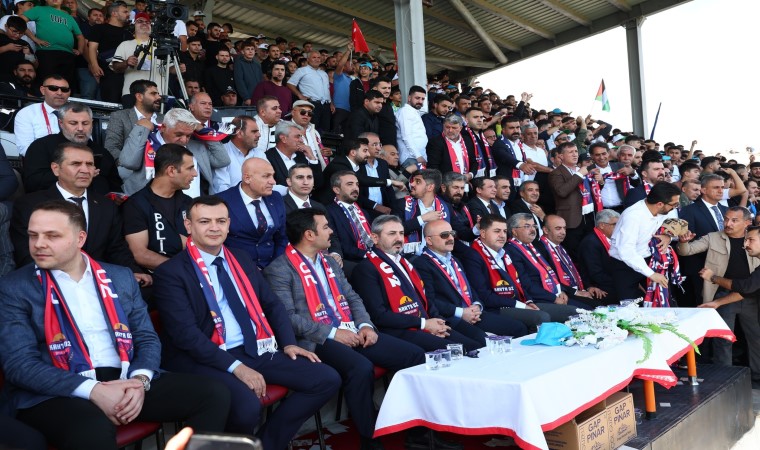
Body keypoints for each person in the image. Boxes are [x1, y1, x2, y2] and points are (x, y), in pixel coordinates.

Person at [0, 200, 231, 449]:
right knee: (92, 429)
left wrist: (140, 381)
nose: (38, 244)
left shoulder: (119, 277)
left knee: (214, 394)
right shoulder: (15, 287)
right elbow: (20, 365)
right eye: (33, 235)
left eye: (52, 236)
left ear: (80, 239)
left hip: (125, 376)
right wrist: (93, 390)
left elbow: (146, 338)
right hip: (59, 389)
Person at [152, 196, 339, 449]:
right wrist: (236, 367)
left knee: (326, 378)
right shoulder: (171, 273)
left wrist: (288, 343)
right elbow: (186, 335)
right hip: (207, 356)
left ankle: (265, 444)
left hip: (256, 347)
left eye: (221, 221)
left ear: (229, 224)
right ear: (188, 225)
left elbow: (272, 304)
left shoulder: (240, 258)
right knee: (247, 406)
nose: (214, 228)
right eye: (204, 222)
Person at [264, 208, 427, 450]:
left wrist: (365, 325)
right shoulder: (279, 269)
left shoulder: (329, 261)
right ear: (309, 234)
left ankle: (416, 431)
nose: (331, 231)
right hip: (316, 338)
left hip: (352, 329)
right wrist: (333, 333)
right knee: (360, 368)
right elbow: (288, 319)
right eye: (326, 227)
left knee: (414, 355)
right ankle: (370, 440)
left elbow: (352, 298)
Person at [12, 141, 145, 278]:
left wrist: (133, 271)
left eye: (90, 164)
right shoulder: (29, 205)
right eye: (76, 164)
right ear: (56, 169)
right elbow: (27, 256)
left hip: (101, 280)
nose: (85, 170)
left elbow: (116, 249)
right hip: (48, 282)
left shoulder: (107, 206)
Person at [351, 214, 483, 351]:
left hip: (424, 321)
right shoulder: (365, 269)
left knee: (476, 345)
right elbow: (379, 316)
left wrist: (437, 322)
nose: (398, 238)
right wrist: (424, 324)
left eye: (401, 233)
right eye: (392, 234)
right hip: (399, 330)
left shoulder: (406, 263)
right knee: (462, 350)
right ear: (375, 238)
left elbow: (425, 299)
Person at [677, 207, 760, 387]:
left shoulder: (754, 239)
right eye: (726, 219)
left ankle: (757, 378)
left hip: (751, 295)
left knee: (756, 337)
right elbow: (686, 251)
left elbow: (746, 287)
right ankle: (725, 380)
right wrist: (683, 242)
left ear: (747, 223)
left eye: (734, 220)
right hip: (724, 295)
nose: (728, 224)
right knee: (723, 340)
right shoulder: (713, 237)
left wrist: (712, 276)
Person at [415, 219, 528, 344]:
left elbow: (469, 288)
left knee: (518, 328)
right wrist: (461, 312)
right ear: (429, 240)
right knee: (481, 342)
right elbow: (429, 300)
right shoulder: (421, 264)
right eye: (444, 235)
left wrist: (477, 305)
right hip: (450, 317)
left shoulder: (455, 260)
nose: (451, 238)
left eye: (452, 233)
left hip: (473, 312)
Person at [458, 214, 550, 330]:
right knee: (541, 317)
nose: (502, 235)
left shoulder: (505, 253)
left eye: (505, 231)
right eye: (497, 231)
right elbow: (484, 296)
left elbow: (519, 284)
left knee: (564, 312)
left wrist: (528, 301)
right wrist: (521, 305)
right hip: (495, 308)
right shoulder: (473, 256)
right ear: (483, 233)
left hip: (516, 302)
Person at [118, 107, 230, 196]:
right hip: (148, 206)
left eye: (188, 135)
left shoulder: (196, 147)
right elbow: (127, 162)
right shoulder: (147, 142)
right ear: (163, 127)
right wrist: (141, 128)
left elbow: (222, 160)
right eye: (179, 134)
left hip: (191, 208)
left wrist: (203, 130)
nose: (184, 140)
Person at [122, 144, 195, 272]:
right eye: (190, 168)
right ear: (171, 171)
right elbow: (140, 254)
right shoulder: (135, 205)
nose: (195, 174)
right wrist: (181, 269)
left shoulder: (189, 203)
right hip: (158, 278)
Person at [22, 102, 121, 195]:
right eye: (73, 123)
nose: (80, 128)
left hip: (99, 205)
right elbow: (32, 183)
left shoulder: (103, 152)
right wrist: (72, 175)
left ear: (92, 123)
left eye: (85, 123)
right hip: (54, 204)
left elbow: (116, 188)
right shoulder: (41, 146)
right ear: (61, 124)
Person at [505, 213, 591, 318]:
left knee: (590, 307)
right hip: (537, 299)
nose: (532, 230)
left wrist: (560, 291)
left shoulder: (531, 247)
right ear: (514, 231)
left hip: (552, 294)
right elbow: (526, 284)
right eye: (527, 226)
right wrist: (553, 298)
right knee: (583, 311)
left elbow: (549, 274)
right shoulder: (511, 250)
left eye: (534, 226)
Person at [610, 182, 683, 301]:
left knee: (659, 301)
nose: (675, 208)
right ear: (660, 204)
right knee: (630, 305)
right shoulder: (633, 216)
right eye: (674, 204)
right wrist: (651, 274)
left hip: (650, 260)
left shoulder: (663, 210)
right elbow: (626, 250)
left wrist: (668, 237)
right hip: (625, 265)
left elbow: (678, 227)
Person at [216, 158, 287, 269]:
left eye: (273, 176)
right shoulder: (222, 201)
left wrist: (275, 266)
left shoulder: (275, 198)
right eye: (266, 176)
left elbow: (282, 237)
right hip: (236, 268)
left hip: (273, 267)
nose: (273, 181)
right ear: (247, 178)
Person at [536, 215, 606, 309]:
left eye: (564, 228)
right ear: (545, 230)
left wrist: (588, 287)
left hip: (575, 289)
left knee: (606, 297)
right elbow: (549, 279)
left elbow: (574, 272)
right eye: (558, 228)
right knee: (597, 306)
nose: (563, 232)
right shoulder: (540, 249)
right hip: (561, 293)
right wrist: (576, 292)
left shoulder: (562, 247)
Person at [548, 142, 597, 258]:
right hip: (571, 219)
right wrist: (579, 175)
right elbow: (562, 192)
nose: (575, 154)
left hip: (588, 216)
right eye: (570, 152)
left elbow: (592, 192)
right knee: (575, 255)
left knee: (590, 252)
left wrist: (600, 182)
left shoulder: (583, 170)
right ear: (561, 156)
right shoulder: (556, 173)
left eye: (576, 151)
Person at [20, 0, 85, 87]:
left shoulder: (69, 17)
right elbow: (19, 21)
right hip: (47, 51)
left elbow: (80, 36)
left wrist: (80, 50)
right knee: (45, 82)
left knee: (66, 84)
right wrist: (35, 39)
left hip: (68, 54)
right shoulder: (39, 9)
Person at [103, 79, 162, 161]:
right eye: (153, 94)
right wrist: (128, 164)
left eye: (158, 94)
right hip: (130, 167)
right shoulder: (119, 116)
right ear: (139, 97)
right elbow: (111, 147)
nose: (159, 97)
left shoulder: (165, 119)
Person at [13, 74, 70, 156]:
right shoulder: (27, 113)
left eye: (64, 90)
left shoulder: (79, 113)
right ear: (43, 90)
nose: (59, 93)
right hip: (42, 160)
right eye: (53, 88)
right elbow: (25, 148)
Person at [264, 121, 322, 196]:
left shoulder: (301, 156)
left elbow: (318, 184)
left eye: (301, 137)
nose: (301, 140)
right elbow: (266, 186)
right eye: (297, 137)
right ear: (283, 138)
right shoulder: (267, 157)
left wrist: (312, 158)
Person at [578, 209, 620, 303]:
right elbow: (595, 273)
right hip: (598, 287)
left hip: (611, 281)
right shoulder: (590, 243)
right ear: (602, 225)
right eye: (614, 224)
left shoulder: (612, 238)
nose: (619, 227)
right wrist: (621, 281)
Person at [211, 115, 262, 194]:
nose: (259, 135)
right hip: (230, 200)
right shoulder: (222, 153)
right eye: (254, 131)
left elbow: (268, 183)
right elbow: (222, 189)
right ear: (239, 133)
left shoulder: (259, 153)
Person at [287, 51, 331, 131]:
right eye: (314, 57)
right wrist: (299, 95)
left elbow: (327, 89)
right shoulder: (302, 70)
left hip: (326, 105)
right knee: (311, 129)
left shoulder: (324, 73)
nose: (317, 59)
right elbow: (290, 83)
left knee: (326, 130)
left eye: (318, 57)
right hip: (311, 104)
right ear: (308, 59)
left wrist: (331, 103)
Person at [426, 114, 477, 180]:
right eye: (447, 127)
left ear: (460, 128)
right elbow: (433, 168)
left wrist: (470, 175)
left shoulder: (467, 140)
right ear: (443, 126)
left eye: (454, 128)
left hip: (466, 182)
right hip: (446, 183)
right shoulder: (435, 142)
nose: (450, 130)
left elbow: (474, 161)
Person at [395, 85, 428, 169]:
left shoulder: (413, 112)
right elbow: (406, 136)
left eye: (422, 99)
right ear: (409, 98)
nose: (420, 101)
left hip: (417, 156)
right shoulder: (405, 112)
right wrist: (418, 156)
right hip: (410, 157)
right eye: (417, 98)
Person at [233, 40, 262, 105]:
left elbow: (261, 81)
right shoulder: (239, 63)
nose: (250, 51)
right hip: (247, 99)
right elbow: (239, 82)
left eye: (252, 49)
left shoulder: (257, 64)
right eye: (248, 49)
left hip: (259, 98)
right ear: (242, 51)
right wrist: (246, 98)